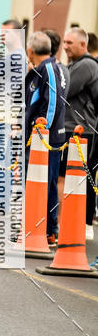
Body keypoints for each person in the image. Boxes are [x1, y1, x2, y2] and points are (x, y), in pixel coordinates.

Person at [24, 31, 67, 244]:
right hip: (40, 136)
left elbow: (53, 103)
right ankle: (39, 226)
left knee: (47, 183)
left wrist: (43, 128)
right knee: (38, 182)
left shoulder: (49, 68)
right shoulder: (40, 69)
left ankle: (49, 229)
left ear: (30, 50)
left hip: (47, 138)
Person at [61, 27, 98, 240]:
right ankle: (78, 222)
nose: (65, 47)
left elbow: (64, 89)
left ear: (83, 45)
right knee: (76, 176)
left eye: (69, 43)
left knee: (84, 176)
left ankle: (84, 223)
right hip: (75, 128)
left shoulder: (86, 66)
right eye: (64, 42)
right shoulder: (76, 64)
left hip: (82, 129)